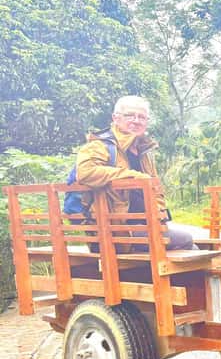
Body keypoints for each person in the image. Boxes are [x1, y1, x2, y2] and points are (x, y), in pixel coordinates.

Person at [75, 95, 195, 251]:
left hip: (144, 226)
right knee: (186, 240)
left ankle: (156, 275)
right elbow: (85, 172)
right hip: (114, 231)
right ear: (115, 118)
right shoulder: (100, 145)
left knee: (193, 248)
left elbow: (155, 189)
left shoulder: (144, 151)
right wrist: (133, 176)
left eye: (142, 117)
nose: (136, 121)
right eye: (130, 115)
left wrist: (160, 219)